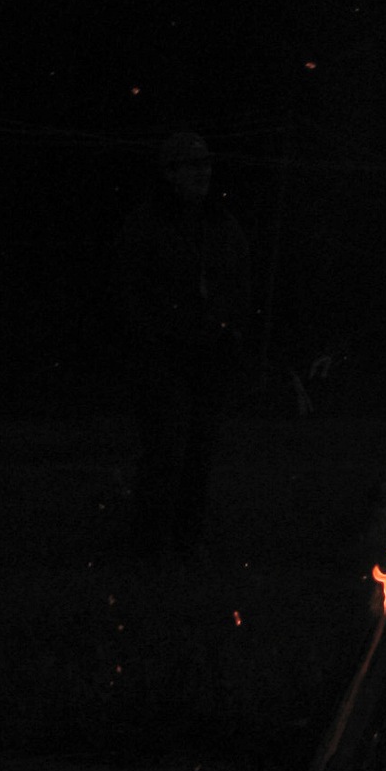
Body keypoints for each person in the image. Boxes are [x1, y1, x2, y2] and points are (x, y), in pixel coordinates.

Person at [119, 130, 253, 558]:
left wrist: (229, 328)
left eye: (206, 165)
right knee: (163, 450)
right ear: (169, 173)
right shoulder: (147, 225)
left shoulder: (220, 223)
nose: (202, 174)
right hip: (163, 354)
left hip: (208, 354)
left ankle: (185, 542)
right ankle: (148, 543)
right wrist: (151, 336)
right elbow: (130, 288)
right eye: (191, 166)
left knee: (199, 451)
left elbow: (239, 280)